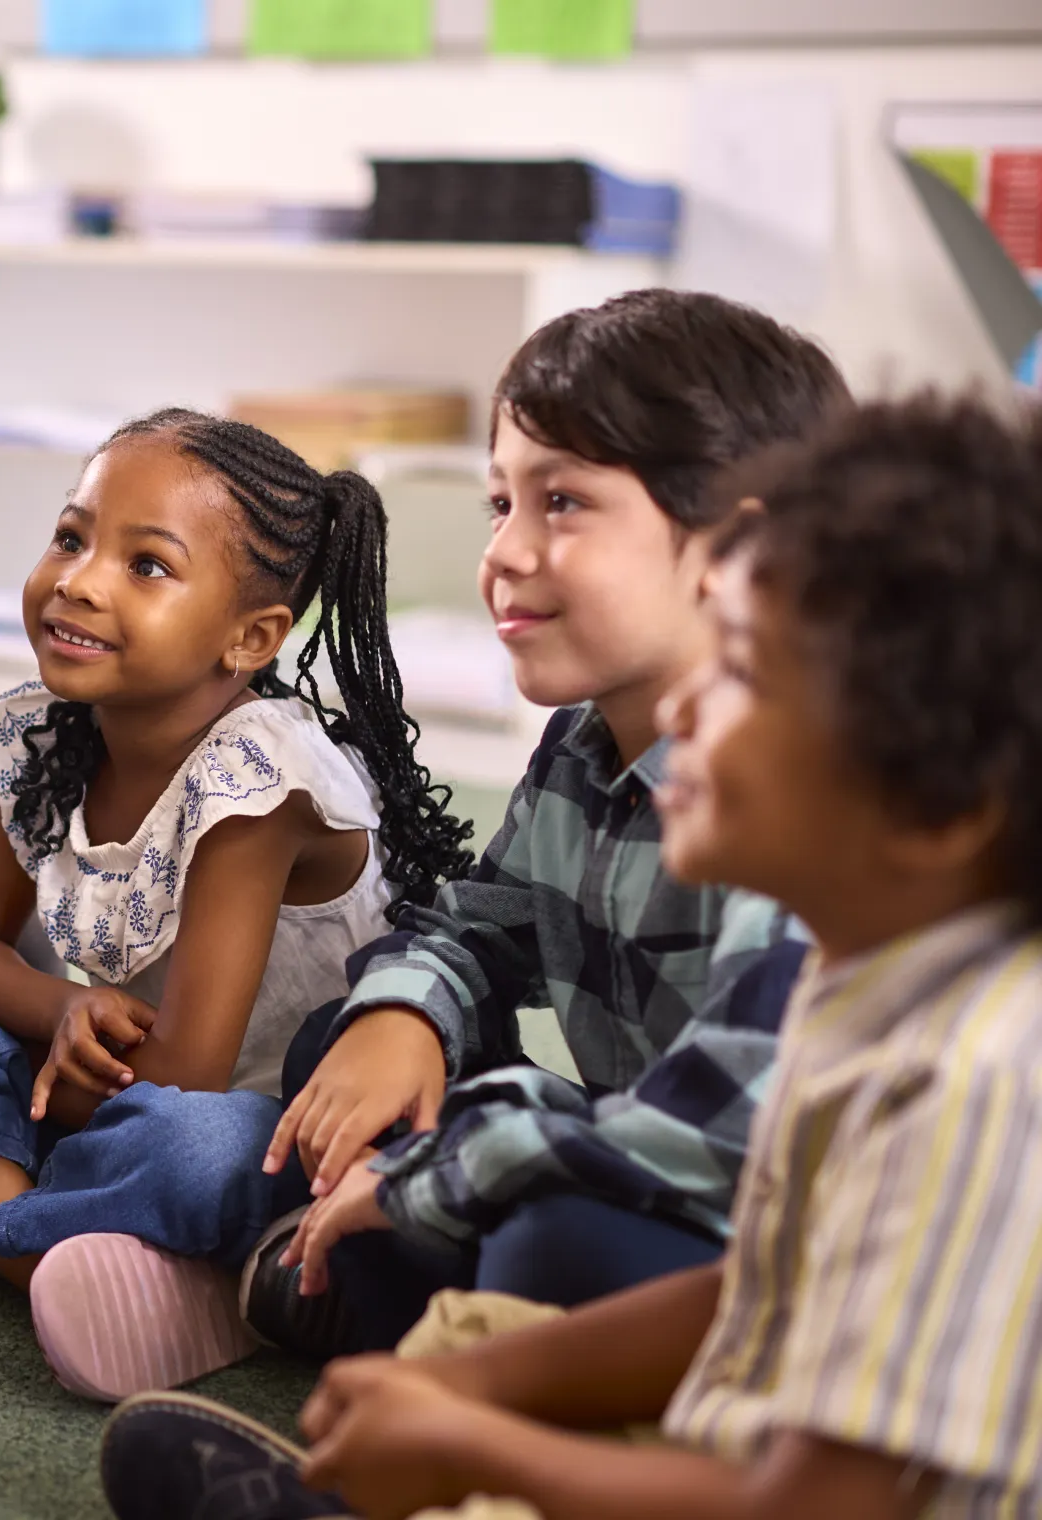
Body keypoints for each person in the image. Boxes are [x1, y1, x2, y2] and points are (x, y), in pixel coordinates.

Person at [98, 392, 1042, 1520]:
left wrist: (481, 1449)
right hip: (744, 1408)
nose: (688, 699)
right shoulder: (880, 986)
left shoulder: (979, 1077)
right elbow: (759, 1291)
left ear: (936, 811)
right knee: (460, 1274)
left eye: (743, 672)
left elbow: (825, 1503)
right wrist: (474, 1386)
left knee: (537, 1270)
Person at [0, 407, 475, 1401]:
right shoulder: (56, 736)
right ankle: (84, 1267)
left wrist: (28, 1078)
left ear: (250, 637)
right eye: (72, 536)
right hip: (106, 1083)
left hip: (258, 1118)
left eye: (145, 565)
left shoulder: (257, 781)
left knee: (188, 1150)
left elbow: (192, 1077)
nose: (79, 578)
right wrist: (58, 1009)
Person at [238, 290, 844, 1360]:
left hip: (792, 1241)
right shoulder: (582, 740)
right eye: (498, 504)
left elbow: (725, 1138)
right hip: (641, 1163)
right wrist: (408, 1016)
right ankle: (417, 1324)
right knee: (347, 1052)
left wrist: (456, 1155)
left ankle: (439, 1361)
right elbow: (478, 924)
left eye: (561, 502)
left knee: (554, 1242)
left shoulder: (808, 795)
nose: (505, 552)